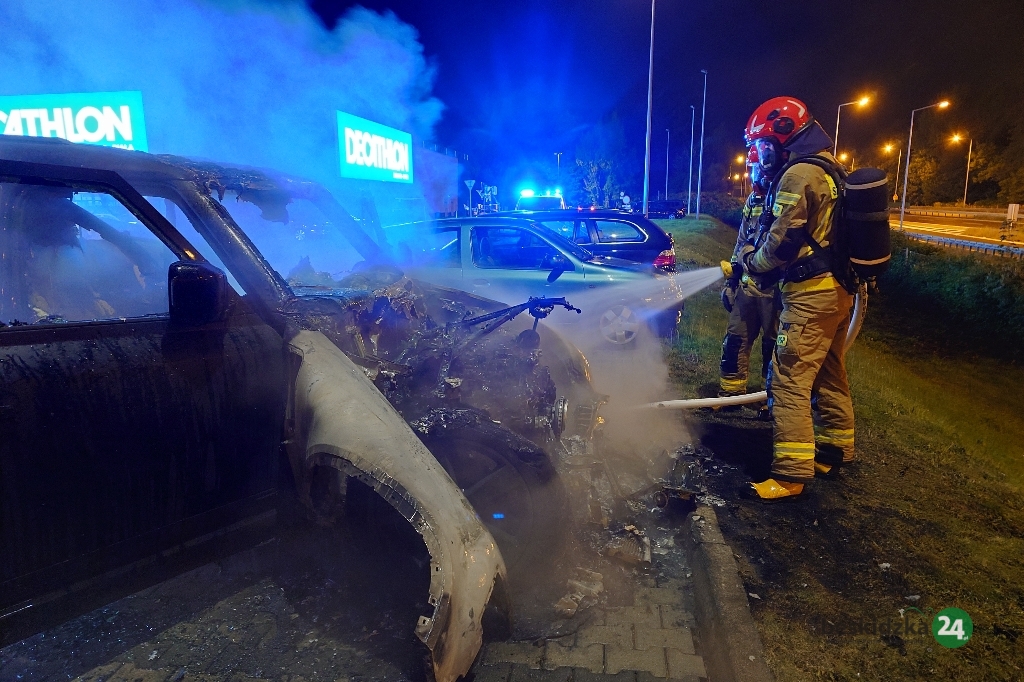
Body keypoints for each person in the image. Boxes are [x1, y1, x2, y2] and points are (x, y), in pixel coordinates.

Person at [738, 96, 856, 501]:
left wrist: (752, 263)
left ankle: (790, 475)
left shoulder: (798, 174)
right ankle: (835, 449)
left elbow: (782, 241)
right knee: (828, 371)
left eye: (764, 144)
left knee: (789, 379)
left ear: (784, 136)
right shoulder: (830, 168)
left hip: (810, 295)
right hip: (839, 290)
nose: (761, 154)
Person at [718, 146, 781, 414]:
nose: (755, 175)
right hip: (747, 286)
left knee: (774, 348)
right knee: (735, 340)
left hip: (776, 291)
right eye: (753, 169)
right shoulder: (754, 202)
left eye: (758, 169)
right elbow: (743, 240)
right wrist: (731, 279)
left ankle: (774, 404)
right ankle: (731, 396)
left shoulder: (785, 200)